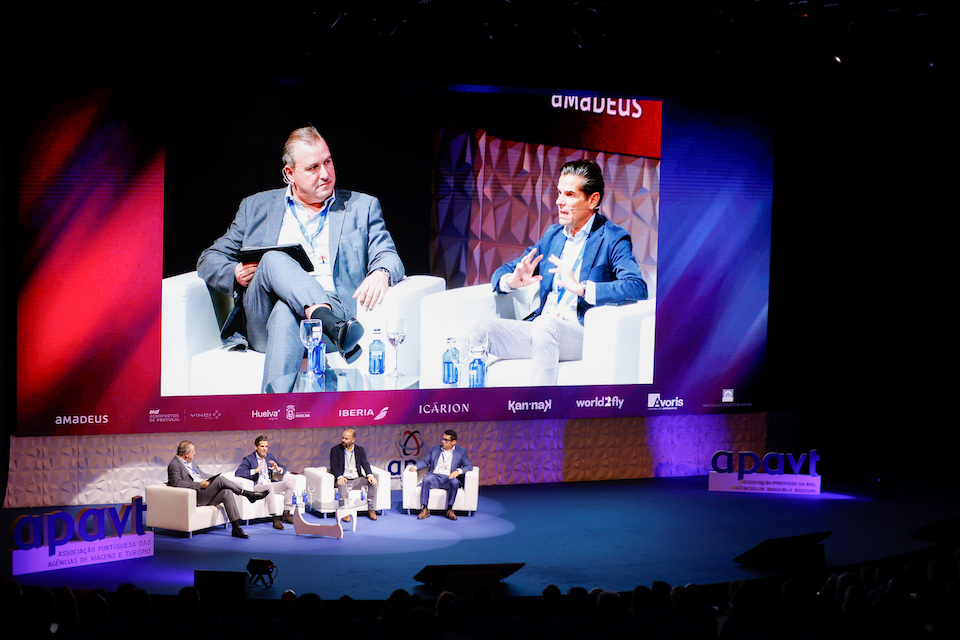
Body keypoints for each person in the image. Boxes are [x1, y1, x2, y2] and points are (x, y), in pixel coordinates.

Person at [198, 126, 405, 391]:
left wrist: (381, 272)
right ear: (290, 173)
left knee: (287, 312)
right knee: (273, 259)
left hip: (329, 309)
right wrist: (235, 273)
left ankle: (273, 410)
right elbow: (209, 259)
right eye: (313, 167)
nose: (325, 174)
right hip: (265, 317)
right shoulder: (256, 207)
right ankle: (329, 323)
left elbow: (388, 255)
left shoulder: (362, 207)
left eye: (327, 162)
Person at [469, 159, 647, 386]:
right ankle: (470, 403)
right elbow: (507, 270)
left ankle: (539, 405)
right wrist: (511, 281)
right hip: (542, 329)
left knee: (546, 326)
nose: (559, 202)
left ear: (593, 200)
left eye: (570, 195)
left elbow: (636, 286)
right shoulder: (553, 236)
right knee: (478, 329)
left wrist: (583, 289)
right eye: (559, 193)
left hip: (579, 331)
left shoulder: (613, 238)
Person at [166, 440, 269, 538]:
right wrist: (199, 485)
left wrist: (213, 478)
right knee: (220, 480)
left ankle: (236, 528)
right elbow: (177, 483)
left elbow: (201, 474)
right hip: (195, 495)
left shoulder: (190, 462)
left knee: (227, 492)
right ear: (186, 454)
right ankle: (247, 494)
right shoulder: (174, 465)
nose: (194, 453)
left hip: (204, 491)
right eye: (193, 451)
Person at [235, 435, 300, 530]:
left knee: (289, 484)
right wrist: (255, 471)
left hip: (269, 483)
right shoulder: (249, 459)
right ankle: (275, 517)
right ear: (256, 447)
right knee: (270, 488)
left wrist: (278, 469)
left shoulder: (269, 457)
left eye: (266, 446)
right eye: (262, 446)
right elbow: (238, 473)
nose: (264, 449)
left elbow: (283, 468)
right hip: (257, 485)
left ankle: (287, 513)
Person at [406, 429, 472, 520]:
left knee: (455, 483)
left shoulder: (461, 451)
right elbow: (425, 461)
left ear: (453, 442)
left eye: (446, 440)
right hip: (435, 477)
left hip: (449, 478)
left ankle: (449, 509)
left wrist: (458, 471)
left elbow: (469, 466)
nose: (443, 442)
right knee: (426, 479)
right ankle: (425, 508)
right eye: (443, 439)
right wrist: (415, 467)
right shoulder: (435, 449)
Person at [329, 428, 379, 521]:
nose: (343, 440)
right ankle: (345, 511)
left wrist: (370, 475)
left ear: (353, 440)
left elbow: (365, 463)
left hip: (357, 479)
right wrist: (340, 477)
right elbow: (334, 466)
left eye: (346, 438)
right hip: (344, 479)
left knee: (372, 483)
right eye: (342, 438)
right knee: (342, 484)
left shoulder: (359, 450)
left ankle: (371, 510)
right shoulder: (335, 450)